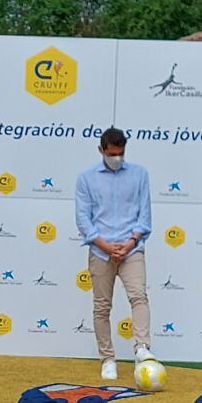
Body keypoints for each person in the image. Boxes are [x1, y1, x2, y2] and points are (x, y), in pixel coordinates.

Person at [74, 127, 154, 380]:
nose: (117, 158)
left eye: (121, 153)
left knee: (139, 296)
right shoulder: (86, 178)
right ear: (101, 150)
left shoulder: (140, 174)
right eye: (112, 153)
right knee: (101, 306)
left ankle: (142, 347)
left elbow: (145, 214)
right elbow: (83, 219)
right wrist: (107, 246)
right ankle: (107, 358)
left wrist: (129, 243)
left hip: (132, 249)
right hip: (101, 250)